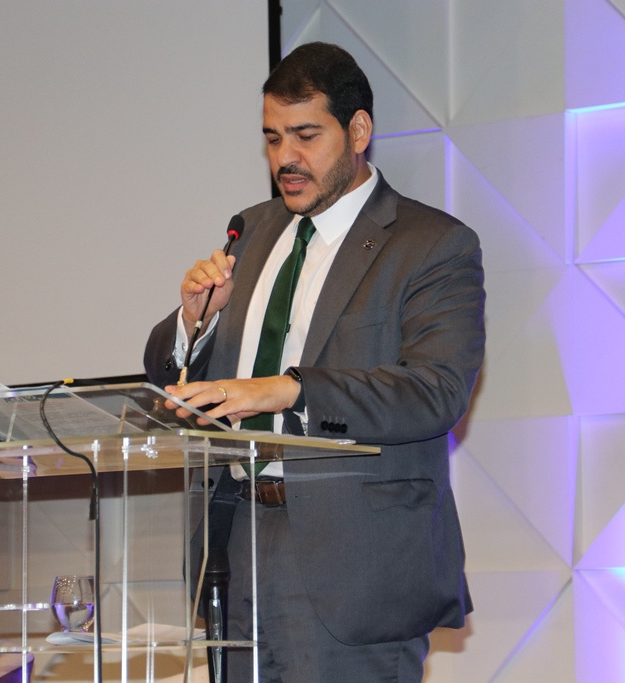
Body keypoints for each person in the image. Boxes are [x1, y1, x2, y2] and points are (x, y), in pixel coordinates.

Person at [145, 41, 485, 682]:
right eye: (273, 139)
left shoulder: (431, 245)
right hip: (234, 540)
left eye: (306, 136)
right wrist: (194, 321)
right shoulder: (251, 230)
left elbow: (436, 391)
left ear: (358, 131)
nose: (285, 159)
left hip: (354, 561)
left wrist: (292, 390)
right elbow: (173, 377)